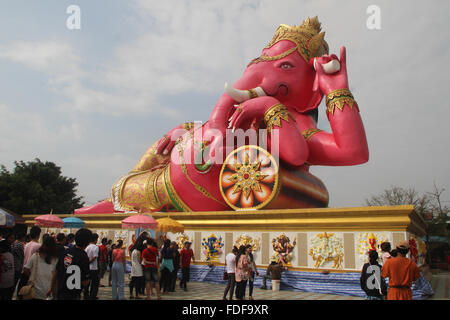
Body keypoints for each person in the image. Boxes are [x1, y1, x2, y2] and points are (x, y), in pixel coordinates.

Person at [51, 228, 92, 300]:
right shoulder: (84, 257)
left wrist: (52, 289)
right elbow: (85, 282)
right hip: (73, 294)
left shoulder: (65, 251)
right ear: (88, 242)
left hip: (60, 292)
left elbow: (56, 273)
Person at [23, 235, 58, 300]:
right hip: (48, 291)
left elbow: (26, 269)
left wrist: (32, 275)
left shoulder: (35, 256)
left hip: (34, 290)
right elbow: (55, 276)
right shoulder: (55, 259)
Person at [17, 226, 41, 298]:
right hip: (32, 274)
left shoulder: (26, 245)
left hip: (24, 271)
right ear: (39, 235)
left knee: (22, 294)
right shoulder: (39, 246)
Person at [84, 233, 100, 300]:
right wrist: (89, 262)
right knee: (95, 283)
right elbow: (95, 257)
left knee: (87, 282)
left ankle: (86, 295)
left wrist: (87, 263)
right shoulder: (96, 247)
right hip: (94, 268)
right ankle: (93, 295)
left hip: (88, 267)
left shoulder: (87, 247)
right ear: (95, 239)